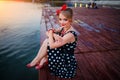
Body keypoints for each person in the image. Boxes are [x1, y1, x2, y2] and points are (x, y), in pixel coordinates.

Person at [26, 4, 77, 79]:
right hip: (61, 51)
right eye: (60, 19)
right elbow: (48, 32)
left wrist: (51, 34)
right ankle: (41, 59)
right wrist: (54, 35)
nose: (62, 22)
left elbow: (52, 45)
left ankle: (39, 59)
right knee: (48, 40)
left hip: (66, 60)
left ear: (70, 20)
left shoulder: (70, 34)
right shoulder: (63, 28)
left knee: (48, 41)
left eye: (65, 19)